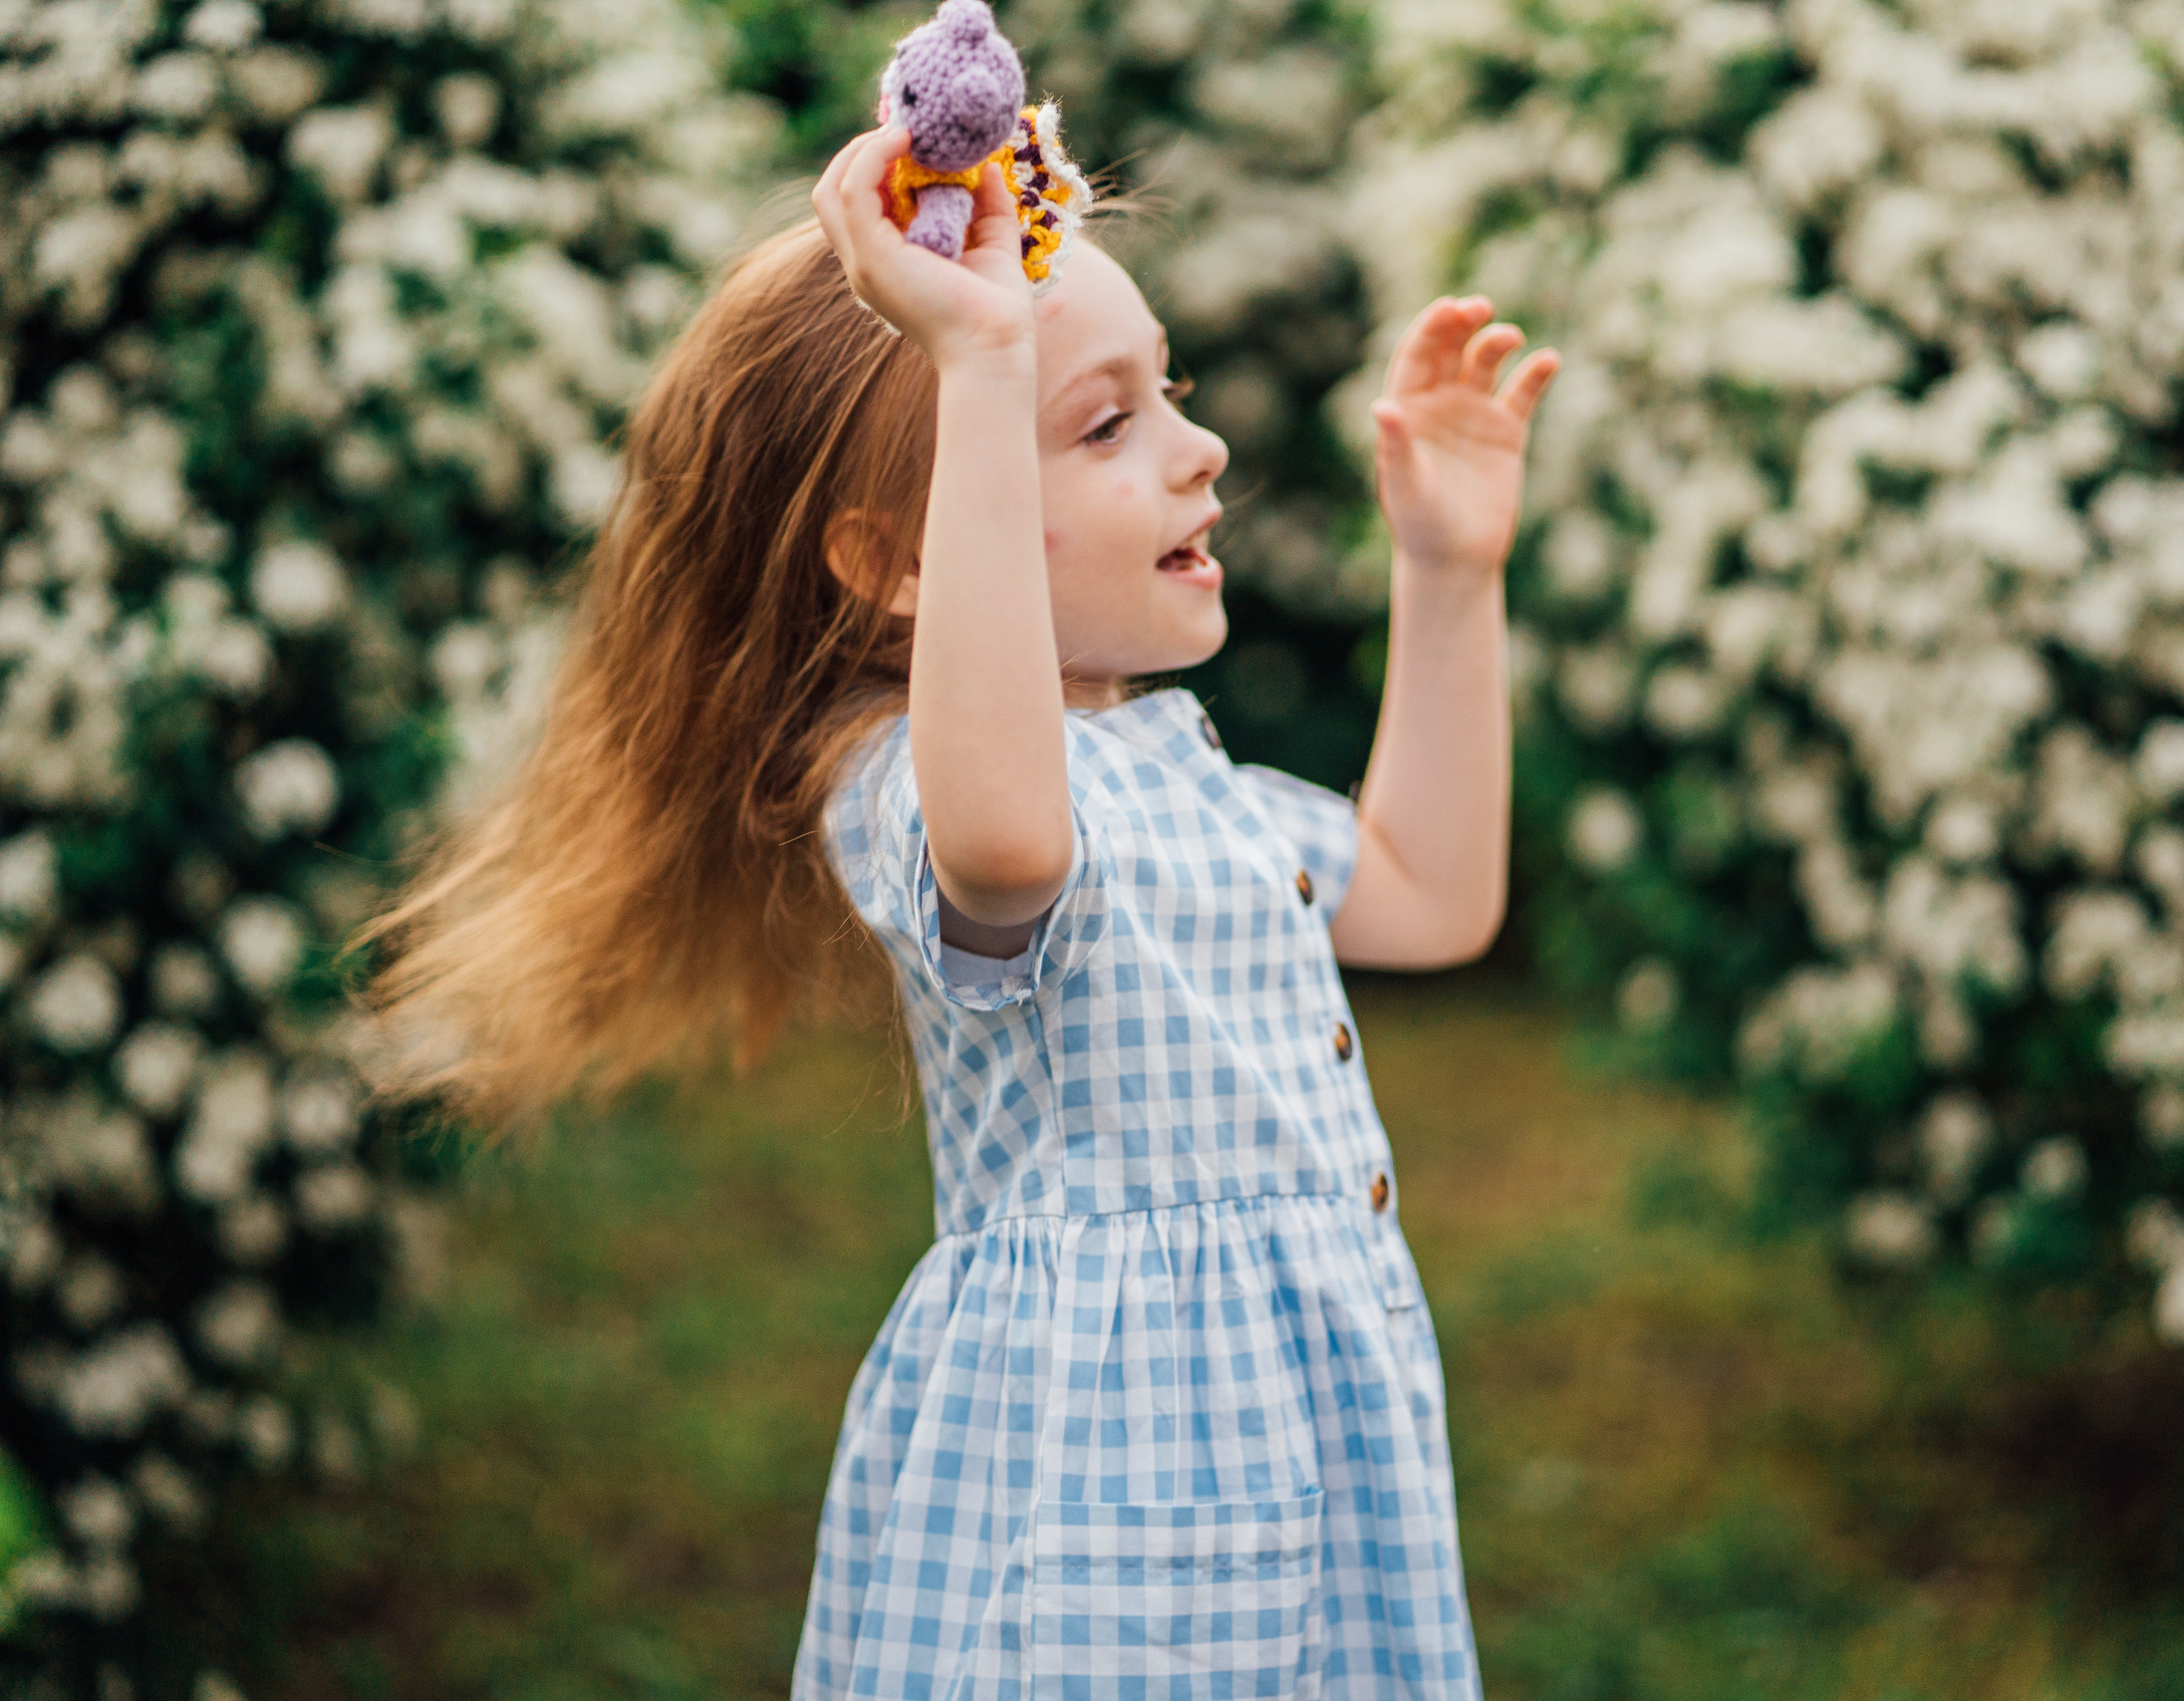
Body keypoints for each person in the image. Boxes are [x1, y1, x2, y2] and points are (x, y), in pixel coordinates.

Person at [356, 117, 1556, 1701]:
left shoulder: (1181, 781)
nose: (1196, 451)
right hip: (1111, 1508)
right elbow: (1005, 850)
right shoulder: (922, 785)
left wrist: (1448, 574)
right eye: (1105, 425)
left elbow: (1430, 896)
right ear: (897, 564)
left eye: (1167, 394)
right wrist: (980, 366)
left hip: (1303, 1462)